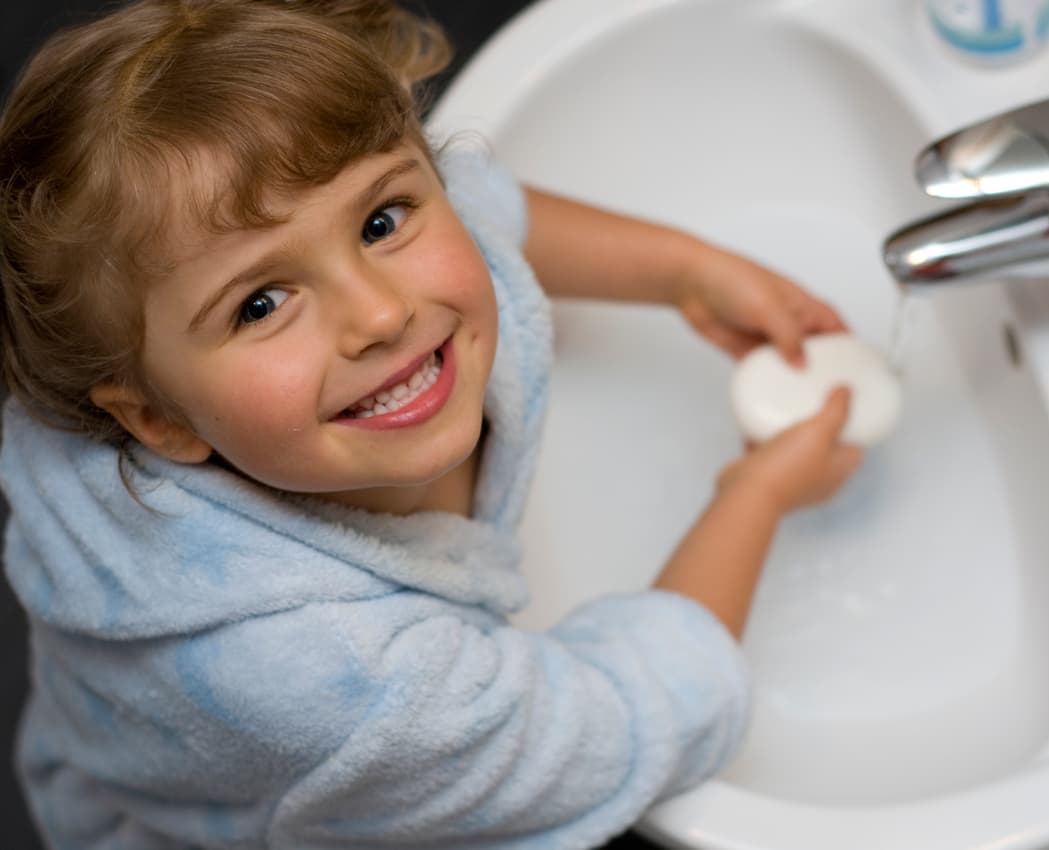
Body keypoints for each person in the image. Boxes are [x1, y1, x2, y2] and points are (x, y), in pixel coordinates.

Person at [0, 0, 863, 847]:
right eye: (261, 304)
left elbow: (487, 211)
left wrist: (688, 271)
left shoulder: (364, 310)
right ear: (156, 418)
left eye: (380, 221)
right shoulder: (336, 678)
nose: (379, 312)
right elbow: (620, 718)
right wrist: (755, 493)